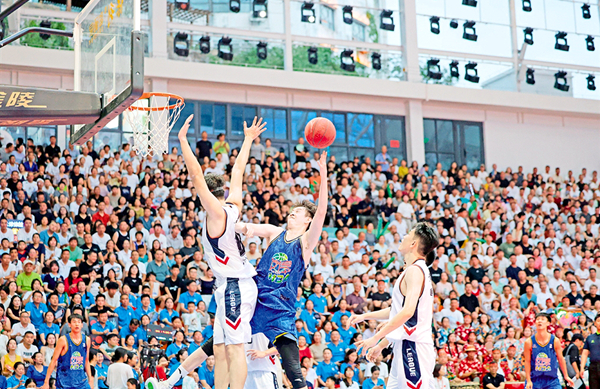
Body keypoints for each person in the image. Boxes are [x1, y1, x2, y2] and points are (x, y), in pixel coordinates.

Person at [146, 115, 265, 389]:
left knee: (234, 349)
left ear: (208, 195)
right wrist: (247, 139)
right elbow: (238, 171)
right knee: (220, 349)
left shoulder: (217, 214)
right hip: (227, 285)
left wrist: (182, 141)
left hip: (235, 285)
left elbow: (196, 175)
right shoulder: (233, 205)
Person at [234, 151, 328, 389]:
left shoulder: (305, 242)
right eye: (292, 210)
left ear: (307, 220)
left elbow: (322, 212)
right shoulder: (275, 232)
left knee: (293, 368)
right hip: (256, 300)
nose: (292, 212)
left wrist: (323, 172)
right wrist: (227, 223)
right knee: (220, 342)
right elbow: (244, 227)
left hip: (280, 308)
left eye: (299, 212)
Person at [350, 222, 439, 389]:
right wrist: (365, 317)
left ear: (413, 244)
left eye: (408, 234)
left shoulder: (415, 271)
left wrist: (375, 338)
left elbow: (407, 313)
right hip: (405, 344)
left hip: (413, 347)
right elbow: (400, 312)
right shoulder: (415, 270)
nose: (404, 236)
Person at [41, 314, 93, 389]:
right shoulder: (63, 340)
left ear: (82, 325)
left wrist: (90, 379)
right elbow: (53, 361)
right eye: (74, 322)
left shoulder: (87, 339)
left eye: (79, 322)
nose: (77, 324)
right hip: (65, 382)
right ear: (69, 324)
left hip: (81, 381)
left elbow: (86, 360)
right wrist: (46, 382)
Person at [523, 313, 573, 389]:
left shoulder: (555, 340)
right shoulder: (529, 342)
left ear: (548, 323)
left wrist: (566, 376)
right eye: (538, 319)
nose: (540, 321)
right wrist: (528, 380)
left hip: (551, 380)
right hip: (534, 379)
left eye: (542, 319)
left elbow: (560, 359)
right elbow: (527, 361)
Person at [580, 315, 600, 388]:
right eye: (598, 321)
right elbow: (584, 354)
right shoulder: (590, 337)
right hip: (593, 367)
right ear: (595, 323)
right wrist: (582, 368)